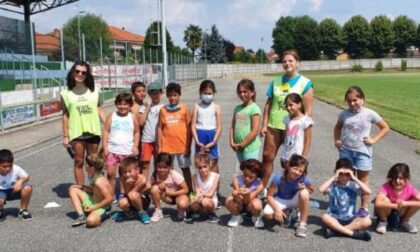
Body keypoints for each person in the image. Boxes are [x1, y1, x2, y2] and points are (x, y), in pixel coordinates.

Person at [260, 49, 314, 187]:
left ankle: (291, 189)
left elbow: (308, 112)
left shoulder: (305, 83)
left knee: (291, 162)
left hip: (293, 128)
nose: (287, 63)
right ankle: (262, 187)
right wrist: (264, 124)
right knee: (267, 157)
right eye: (284, 61)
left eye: (291, 60)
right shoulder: (275, 81)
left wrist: (304, 131)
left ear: (297, 63)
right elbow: (268, 104)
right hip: (274, 125)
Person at [334, 86, 389, 218]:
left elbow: (385, 127)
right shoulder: (344, 114)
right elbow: (337, 128)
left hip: (362, 152)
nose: (352, 103)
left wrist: (373, 139)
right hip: (346, 151)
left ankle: (364, 207)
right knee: (345, 178)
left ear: (362, 99)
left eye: (355, 100)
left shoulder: (370, 113)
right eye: (349, 101)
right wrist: (337, 140)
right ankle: (346, 204)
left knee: (362, 179)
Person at [61, 61, 106, 186]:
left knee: (94, 162)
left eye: (83, 72)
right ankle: (81, 190)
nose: (80, 74)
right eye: (77, 71)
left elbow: (99, 109)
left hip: (93, 131)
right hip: (76, 132)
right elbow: (65, 115)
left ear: (87, 75)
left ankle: (95, 189)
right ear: (72, 72)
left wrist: (108, 125)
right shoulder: (65, 93)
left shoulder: (95, 90)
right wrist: (65, 136)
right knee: (79, 162)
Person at [319, 158, 372, 241]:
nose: (344, 177)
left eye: (347, 174)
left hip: (350, 218)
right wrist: (334, 177)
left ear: (351, 174)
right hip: (334, 218)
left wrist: (354, 178)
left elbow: (369, 192)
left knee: (368, 221)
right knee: (325, 217)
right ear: (336, 172)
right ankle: (354, 234)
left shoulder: (353, 185)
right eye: (341, 174)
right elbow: (321, 190)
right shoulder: (333, 185)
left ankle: (336, 232)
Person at [262, 154, 313, 237]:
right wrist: (277, 209)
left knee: (304, 193)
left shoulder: (303, 178)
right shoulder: (279, 177)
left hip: (295, 200)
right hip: (281, 199)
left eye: (300, 171)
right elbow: (269, 196)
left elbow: (311, 190)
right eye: (295, 169)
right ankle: (289, 212)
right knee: (267, 215)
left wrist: (304, 188)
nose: (297, 172)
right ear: (289, 166)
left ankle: (302, 225)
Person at [157, 82, 193, 192]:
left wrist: (188, 147)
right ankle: (169, 191)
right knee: (167, 170)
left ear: (179, 95)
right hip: (167, 147)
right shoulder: (163, 110)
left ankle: (190, 190)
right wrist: (159, 146)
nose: (172, 98)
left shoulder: (185, 109)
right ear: (167, 96)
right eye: (170, 95)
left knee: (185, 169)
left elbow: (189, 129)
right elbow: (159, 128)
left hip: (182, 146)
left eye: (175, 95)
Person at [102, 93, 139, 196]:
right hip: (112, 150)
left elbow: (136, 132)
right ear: (116, 104)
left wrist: (135, 146)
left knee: (125, 174)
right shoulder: (111, 115)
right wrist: (105, 147)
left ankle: (123, 194)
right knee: (110, 174)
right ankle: (110, 195)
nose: (122, 106)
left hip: (126, 151)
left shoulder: (133, 117)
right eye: (120, 104)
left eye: (125, 104)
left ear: (130, 105)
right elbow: (106, 131)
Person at [69, 153, 113, 228]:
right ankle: (82, 216)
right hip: (93, 200)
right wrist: (84, 188)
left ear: (92, 168)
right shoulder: (94, 176)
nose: (85, 166)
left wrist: (94, 207)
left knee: (90, 222)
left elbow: (109, 198)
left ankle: (105, 214)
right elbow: (95, 191)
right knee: (73, 189)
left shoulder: (99, 182)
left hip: (102, 206)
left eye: (86, 164)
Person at [374, 163, 420, 234]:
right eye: (394, 178)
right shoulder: (386, 186)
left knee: (416, 201)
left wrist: (406, 203)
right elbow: (377, 203)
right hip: (386, 212)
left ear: (407, 179)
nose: (397, 181)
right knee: (384, 199)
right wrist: (396, 206)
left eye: (401, 178)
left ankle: (405, 221)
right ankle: (383, 221)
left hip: (400, 212)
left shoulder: (410, 188)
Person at [148, 153, 189, 222]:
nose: (162, 170)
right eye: (159, 167)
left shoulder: (174, 174)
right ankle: (158, 211)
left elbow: (186, 189)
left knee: (183, 204)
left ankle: (181, 209)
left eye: (165, 167)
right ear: (156, 166)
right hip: (166, 197)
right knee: (154, 188)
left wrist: (170, 193)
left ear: (170, 167)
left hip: (177, 195)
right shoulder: (155, 174)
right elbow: (149, 185)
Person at [191, 79, 222, 173]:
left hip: (212, 137)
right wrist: (197, 141)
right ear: (200, 93)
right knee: (200, 163)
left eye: (210, 93)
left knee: (213, 164)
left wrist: (213, 142)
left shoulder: (216, 107)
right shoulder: (197, 106)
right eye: (205, 93)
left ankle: (215, 187)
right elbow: (193, 126)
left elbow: (219, 127)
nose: (207, 96)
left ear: (213, 93)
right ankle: (201, 186)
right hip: (200, 138)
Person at [230, 79, 261, 163]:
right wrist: (231, 142)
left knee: (251, 171)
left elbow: (255, 130)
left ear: (252, 92)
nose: (242, 94)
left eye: (245, 91)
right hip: (238, 147)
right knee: (244, 171)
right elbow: (233, 126)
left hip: (250, 147)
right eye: (240, 92)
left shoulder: (254, 108)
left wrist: (243, 144)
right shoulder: (237, 108)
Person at [112, 156, 151, 224]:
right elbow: (124, 194)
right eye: (124, 172)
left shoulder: (142, 179)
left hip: (143, 202)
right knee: (121, 202)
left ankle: (142, 212)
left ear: (138, 170)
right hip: (131, 199)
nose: (127, 174)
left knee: (132, 194)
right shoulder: (123, 179)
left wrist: (129, 185)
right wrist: (127, 185)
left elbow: (132, 193)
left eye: (130, 171)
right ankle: (129, 214)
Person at [226, 159, 264, 228]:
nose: (247, 178)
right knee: (229, 200)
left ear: (257, 176)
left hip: (250, 204)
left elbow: (248, 200)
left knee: (257, 204)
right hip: (239, 202)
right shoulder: (237, 179)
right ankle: (237, 216)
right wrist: (236, 193)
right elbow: (235, 194)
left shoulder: (259, 184)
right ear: (242, 171)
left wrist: (247, 193)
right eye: (245, 175)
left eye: (251, 177)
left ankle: (255, 217)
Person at [280, 93, 313, 169]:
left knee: (297, 177)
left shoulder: (305, 121)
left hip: (298, 157)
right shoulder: (287, 119)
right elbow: (286, 138)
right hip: (286, 156)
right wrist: (283, 155)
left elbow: (307, 141)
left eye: (291, 105)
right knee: (286, 177)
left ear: (299, 104)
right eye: (286, 105)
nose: (288, 108)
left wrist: (304, 157)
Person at [0, 149, 33, 221]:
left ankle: (23, 210)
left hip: (13, 190)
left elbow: (27, 177)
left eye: (10, 166)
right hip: (1, 192)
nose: (8, 169)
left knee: (28, 187)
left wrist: (20, 181)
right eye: (4, 166)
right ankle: (1, 209)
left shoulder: (16, 168)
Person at [140, 82, 164, 180]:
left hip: (159, 140)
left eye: (157, 93)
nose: (155, 96)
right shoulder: (145, 107)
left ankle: (156, 184)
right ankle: (144, 188)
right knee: (145, 164)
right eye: (152, 93)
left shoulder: (164, 107)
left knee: (159, 164)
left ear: (161, 92)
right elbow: (140, 122)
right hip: (147, 139)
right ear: (149, 94)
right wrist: (148, 108)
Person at [190, 153, 220, 223]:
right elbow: (197, 191)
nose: (203, 170)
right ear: (196, 167)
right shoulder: (194, 177)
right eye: (200, 168)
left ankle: (211, 213)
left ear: (210, 165)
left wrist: (201, 196)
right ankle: (197, 212)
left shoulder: (216, 176)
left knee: (205, 201)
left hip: (211, 199)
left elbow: (211, 193)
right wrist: (196, 197)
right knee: (192, 202)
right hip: (200, 197)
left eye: (205, 166)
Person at [131, 81, 148, 158]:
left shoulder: (144, 104)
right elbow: (140, 123)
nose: (142, 93)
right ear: (133, 93)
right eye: (139, 91)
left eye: (144, 91)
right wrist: (147, 109)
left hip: (144, 136)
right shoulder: (132, 106)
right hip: (134, 137)